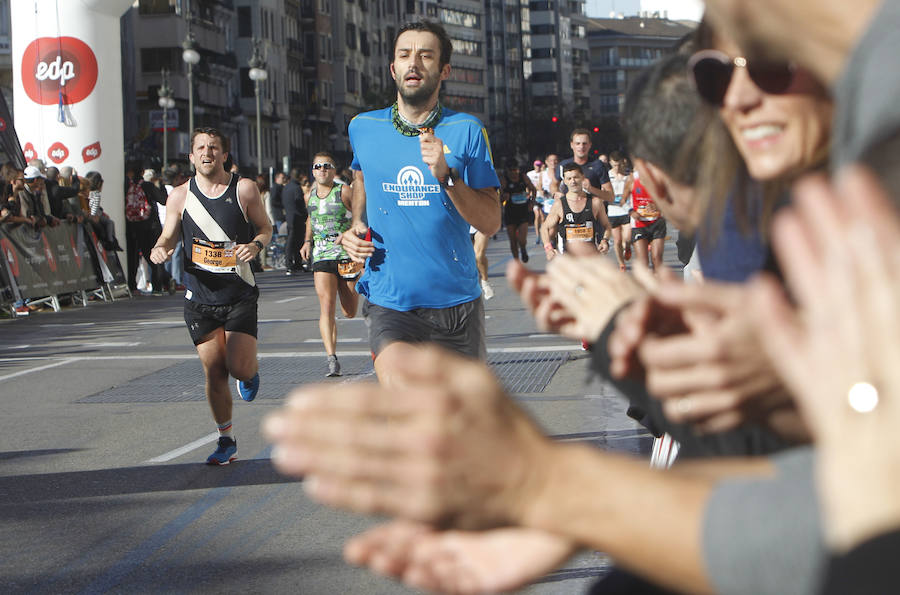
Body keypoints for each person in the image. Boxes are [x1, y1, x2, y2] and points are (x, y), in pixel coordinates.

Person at [338, 20, 501, 378]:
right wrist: (356, 225)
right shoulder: (363, 127)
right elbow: (361, 175)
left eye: (426, 56)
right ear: (393, 68)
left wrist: (447, 175)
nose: (414, 63)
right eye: (405, 55)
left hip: (456, 303)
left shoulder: (468, 130)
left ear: (444, 70)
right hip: (390, 301)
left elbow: (490, 221)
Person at [150, 127, 272, 465]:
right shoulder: (178, 195)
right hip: (199, 298)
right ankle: (226, 439)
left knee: (239, 368)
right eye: (201, 147)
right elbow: (168, 236)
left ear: (224, 155)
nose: (207, 153)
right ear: (191, 156)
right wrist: (160, 249)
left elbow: (265, 228)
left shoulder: (244, 189)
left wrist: (255, 245)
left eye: (214, 147)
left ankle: (250, 372)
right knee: (215, 371)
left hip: (238, 295)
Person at [299, 152, 360, 377]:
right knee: (326, 305)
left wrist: (352, 233)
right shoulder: (309, 195)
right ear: (313, 171)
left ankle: (356, 288)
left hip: (346, 255)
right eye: (317, 166)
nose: (322, 169)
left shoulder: (344, 191)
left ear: (333, 170)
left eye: (327, 166)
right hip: (322, 255)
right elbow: (310, 218)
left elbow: (360, 216)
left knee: (350, 311)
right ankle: (331, 358)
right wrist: (307, 241)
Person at [541, 162, 611, 261]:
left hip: (591, 257)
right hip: (569, 260)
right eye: (569, 179)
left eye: (576, 177)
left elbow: (607, 225)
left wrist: (605, 241)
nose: (573, 181)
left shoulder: (595, 202)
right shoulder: (559, 205)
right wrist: (548, 249)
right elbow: (544, 228)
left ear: (582, 177)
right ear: (564, 181)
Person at [124, 163, 167, 294]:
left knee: (132, 256)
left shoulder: (126, 186)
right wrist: (161, 185)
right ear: (142, 172)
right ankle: (158, 286)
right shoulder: (147, 186)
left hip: (132, 226)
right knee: (154, 256)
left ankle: (132, 286)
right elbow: (164, 200)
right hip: (150, 226)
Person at [555, 129, 614, 204]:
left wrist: (591, 189)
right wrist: (556, 193)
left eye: (584, 143)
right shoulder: (563, 165)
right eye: (578, 143)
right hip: (570, 211)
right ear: (572, 145)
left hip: (593, 212)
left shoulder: (598, 165)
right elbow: (554, 183)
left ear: (590, 145)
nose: (581, 147)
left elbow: (610, 197)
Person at [500, 159, 536, 263]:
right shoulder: (504, 180)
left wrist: (531, 203)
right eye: (512, 170)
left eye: (516, 170)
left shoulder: (523, 177)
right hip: (510, 211)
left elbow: (533, 189)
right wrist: (503, 197)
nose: (514, 173)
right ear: (507, 171)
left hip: (523, 209)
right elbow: (499, 196)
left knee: (522, 238)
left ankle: (523, 248)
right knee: (512, 239)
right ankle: (516, 261)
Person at [606, 150, 633, 271]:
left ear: (622, 163)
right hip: (613, 211)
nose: (616, 167)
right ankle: (621, 263)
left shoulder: (628, 176)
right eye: (614, 165)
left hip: (626, 211)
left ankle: (627, 247)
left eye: (618, 165)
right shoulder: (607, 176)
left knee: (627, 238)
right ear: (610, 163)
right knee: (617, 241)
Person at [282, 168, 308, 275]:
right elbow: (299, 201)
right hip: (297, 217)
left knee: (290, 241)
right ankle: (297, 263)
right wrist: (305, 213)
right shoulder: (297, 188)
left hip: (289, 217)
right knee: (297, 241)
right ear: (299, 177)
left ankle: (290, 263)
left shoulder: (286, 187)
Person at [526, 159, 545, 245]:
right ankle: (538, 236)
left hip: (544, 198)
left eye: (539, 165)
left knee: (543, 217)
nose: (538, 167)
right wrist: (528, 193)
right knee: (537, 215)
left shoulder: (544, 174)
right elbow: (527, 185)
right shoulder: (530, 174)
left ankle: (544, 234)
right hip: (535, 197)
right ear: (534, 165)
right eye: (536, 165)